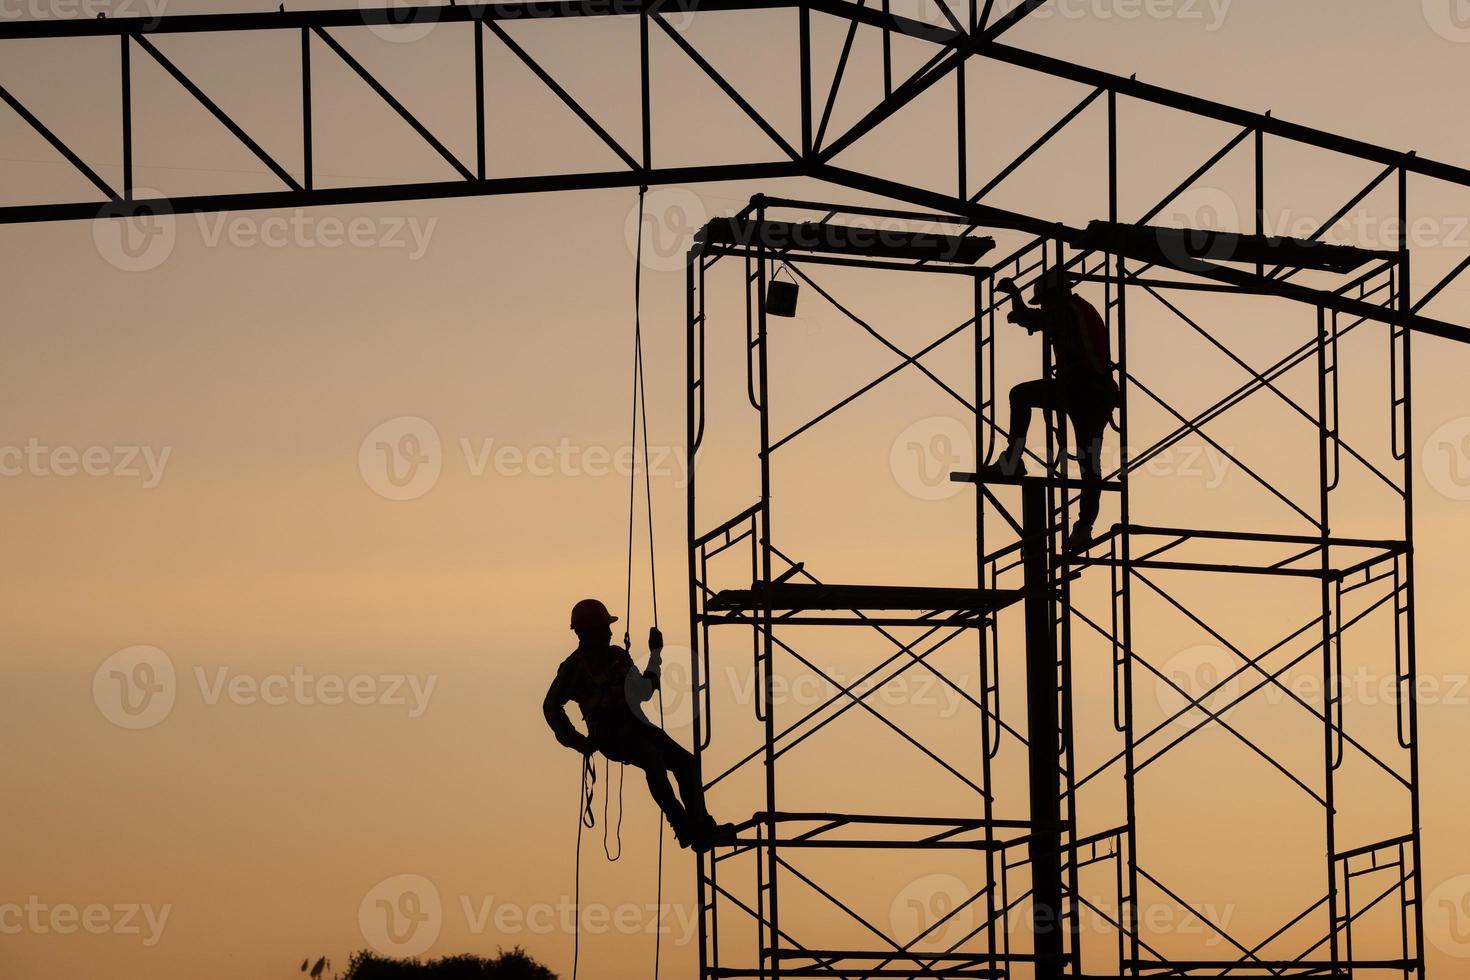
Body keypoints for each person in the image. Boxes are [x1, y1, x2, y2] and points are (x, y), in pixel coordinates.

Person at [544, 598, 734, 851]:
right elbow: (551, 706)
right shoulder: (574, 667)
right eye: (604, 628)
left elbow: (643, 692)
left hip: (636, 724)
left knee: (686, 763)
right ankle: (683, 825)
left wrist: (656, 655)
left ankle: (700, 826)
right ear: (587, 633)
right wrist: (578, 741)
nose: (610, 632)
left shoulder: (617, 657)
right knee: (651, 758)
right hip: (609, 733)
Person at [975, 269, 1120, 553]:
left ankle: (1013, 460)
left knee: (1020, 395)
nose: (1043, 305)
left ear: (1054, 295)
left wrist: (1015, 297)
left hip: (1080, 391)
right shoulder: (1078, 309)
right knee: (1090, 465)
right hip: (1096, 394)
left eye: (1044, 301)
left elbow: (1031, 318)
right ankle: (1083, 528)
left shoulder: (1066, 311)